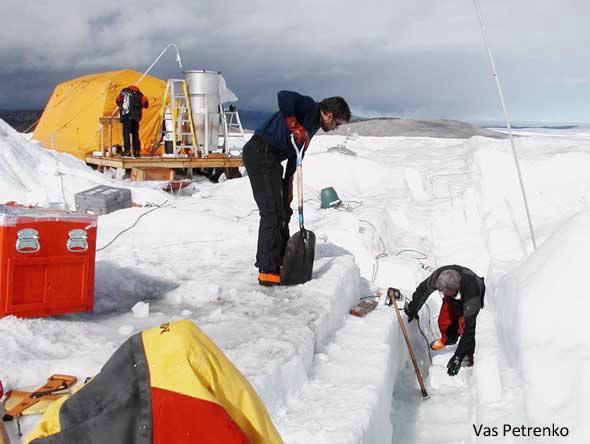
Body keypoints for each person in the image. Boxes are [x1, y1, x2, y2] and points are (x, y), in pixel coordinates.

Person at [243, 91, 351, 286]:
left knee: (284, 210)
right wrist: (294, 125)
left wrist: (289, 181)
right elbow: (283, 96)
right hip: (260, 152)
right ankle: (267, 270)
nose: (335, 128)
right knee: (272, 213)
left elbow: (296, 154)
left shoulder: (313, 125)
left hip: (273, 159)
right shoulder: (309, 107)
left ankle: (281, 256)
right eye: (336, 124)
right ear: (328, 114)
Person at [404, 265, 485, 376]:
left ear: (455, 289)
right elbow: (423, 289)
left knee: (465, 326)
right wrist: (413, 309)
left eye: (445, 292)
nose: (442, 294)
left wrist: (458, 357)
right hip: (457, 296)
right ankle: (448, 339)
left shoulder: (472, 293)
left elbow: (470, 330)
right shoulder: (439, 277)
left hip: (474, 300)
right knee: (445, 319)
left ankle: (469, 359)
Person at [116, 85, 149, 157]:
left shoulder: (124, 92)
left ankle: (127, 151)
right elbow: (146, 105)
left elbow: (118, 102)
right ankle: (136, 151)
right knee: (135, 134)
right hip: (135, 118)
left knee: (126, 134)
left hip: (126, 117)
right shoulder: (140, 94)